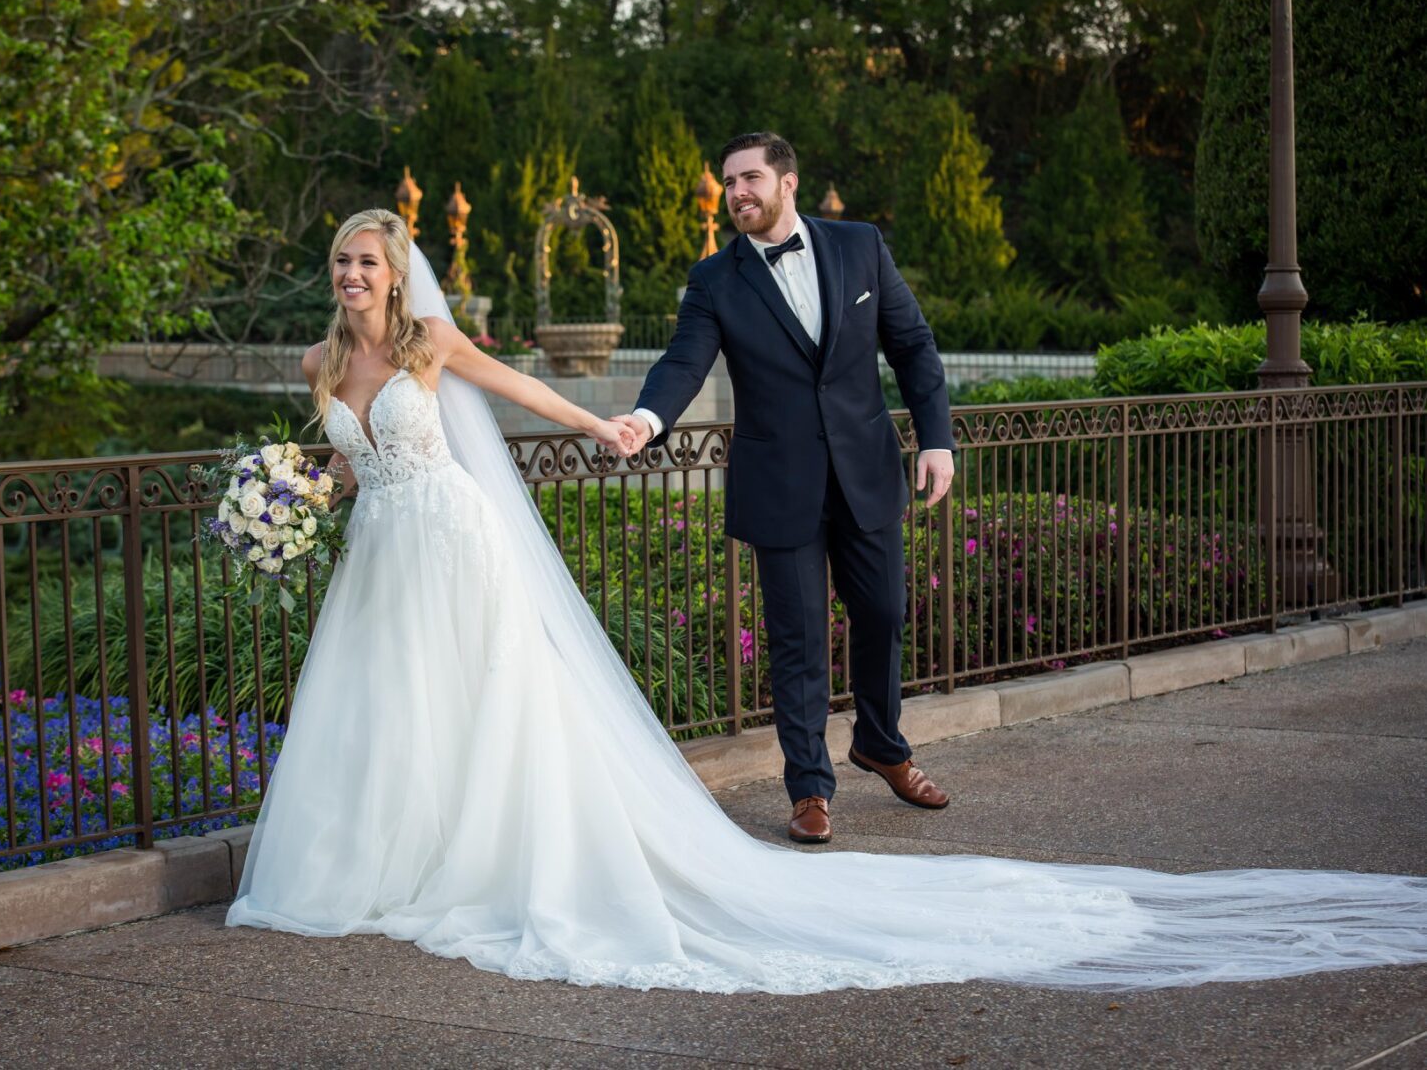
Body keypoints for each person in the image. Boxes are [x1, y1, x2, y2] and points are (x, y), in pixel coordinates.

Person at [225, 206, 1427, 995]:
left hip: (454, 541)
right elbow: (340, 462)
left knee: (482, 707)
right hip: (381, 550)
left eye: (366, 261)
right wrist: (285, 501)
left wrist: (607, 421)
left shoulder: (433, 345)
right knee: (393, 707)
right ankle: (397, 859)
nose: (351, 276)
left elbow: (517, 387)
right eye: (340, 262)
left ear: (396, 274)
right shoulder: (322, 365)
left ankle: (531, 842)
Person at [614, 132, 954, 845]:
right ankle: (809, 788)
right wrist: (647, 419)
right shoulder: (714, 279)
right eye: (729, 181)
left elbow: (913, 344)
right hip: (781, 483)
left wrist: (938, 439)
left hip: (866, 469)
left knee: (886, 615)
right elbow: (684, 362)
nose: (737, 192)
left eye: (750, 178)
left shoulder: (861, 244)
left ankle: (881, 744)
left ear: (787, 182)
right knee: (797, 640)